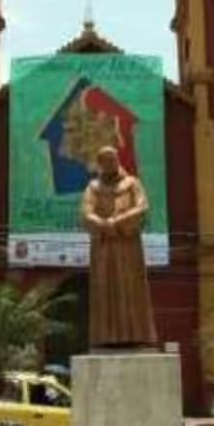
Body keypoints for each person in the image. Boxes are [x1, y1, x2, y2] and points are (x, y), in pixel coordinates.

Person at [80, 146, 157, 349]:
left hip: (128, 246)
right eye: (104, 160)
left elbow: (142, 207)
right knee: (105, 288)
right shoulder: (93, 187)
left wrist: (117, 221)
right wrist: (103, 224)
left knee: (131, 288)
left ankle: (137, 336)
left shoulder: (132, 184)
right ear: (100, 164)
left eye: (112, 159)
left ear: (117, 160)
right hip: (104, 247)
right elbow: (86, 213)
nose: (109, 163)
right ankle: (105, 338)